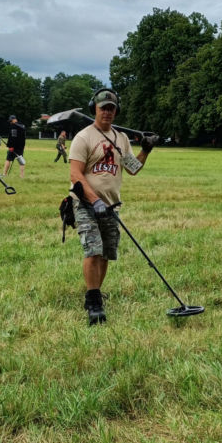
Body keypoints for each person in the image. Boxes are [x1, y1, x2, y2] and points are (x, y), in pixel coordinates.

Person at [69, 88, 157, 325]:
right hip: (86, 204)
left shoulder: (121, 138)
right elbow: (75, 174)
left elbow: (133, 168)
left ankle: (96, 290)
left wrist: (146, 150)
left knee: (107, 253)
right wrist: (94, 200)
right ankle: (94, 301)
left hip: (111, 206)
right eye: (103, 108)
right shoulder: (83, 137)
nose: (107, 112)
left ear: (116, 111)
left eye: (111, 108)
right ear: (94, 109)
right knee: (93, 250)